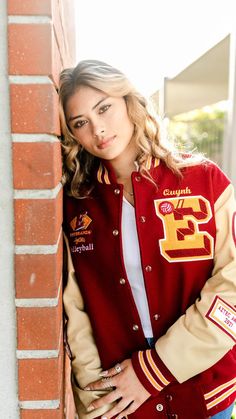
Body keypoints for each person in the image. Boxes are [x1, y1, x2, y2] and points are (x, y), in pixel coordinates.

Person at [59, 59, 236, 419]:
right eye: (81, 122)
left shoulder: (205, 181)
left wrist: (154, 370)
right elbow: (75, 309)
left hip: (206, 391)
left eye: (104, 108)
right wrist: (99, 396)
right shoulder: (77, 205)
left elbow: (232, 288)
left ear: (129, 101)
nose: (98, 128)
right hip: (124, 401)